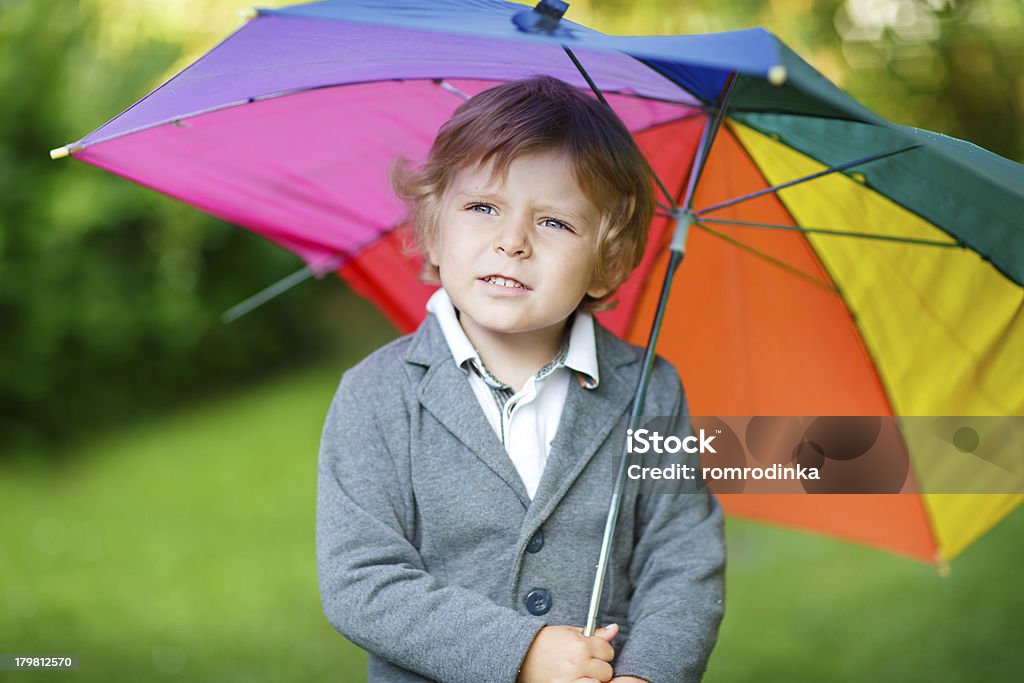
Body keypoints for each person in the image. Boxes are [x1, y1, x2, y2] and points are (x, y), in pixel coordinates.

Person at [316, 76, 725, 683]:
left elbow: (681, 556)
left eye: (555, 223)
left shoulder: (650, 390)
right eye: (483, 208)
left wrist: (648, 674)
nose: (512, 243)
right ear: (433, 226)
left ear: (604, 263)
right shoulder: (376, 395)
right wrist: (522, 651)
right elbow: (363, 581)